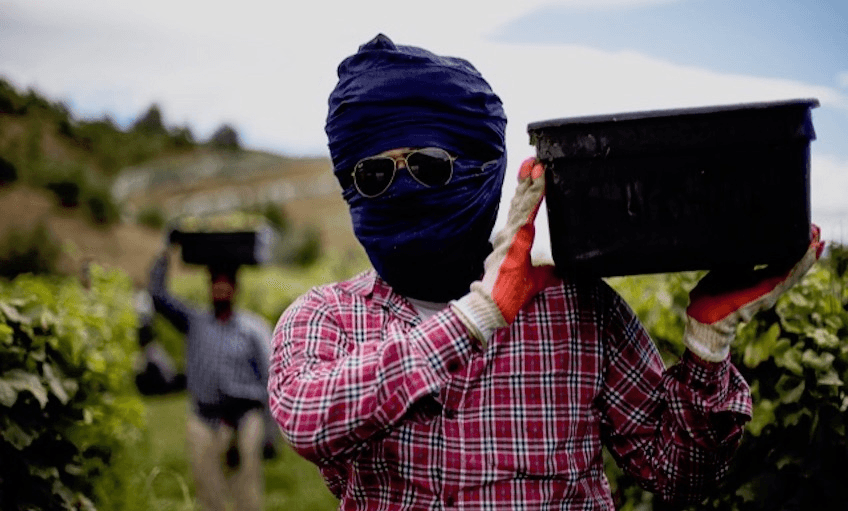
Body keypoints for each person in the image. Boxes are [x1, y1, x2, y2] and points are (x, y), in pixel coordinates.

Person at [267, 33, 824, 510]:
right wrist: (478, 316)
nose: (404, 188)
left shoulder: (578, 308)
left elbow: (680, 475)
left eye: (430, 166)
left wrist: (707, 343)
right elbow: (306, 417)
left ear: (484, 170)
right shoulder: (325, 317)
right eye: (372, 175)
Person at [149, 249, 272, 511]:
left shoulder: (254, 329)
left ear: (236, 289)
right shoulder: (195, 322)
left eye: (227, 284)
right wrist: (164, 254)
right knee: (208, 489)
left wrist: (271, 434)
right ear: (209, 287)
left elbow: (271, 381)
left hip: (245, 417)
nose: (222, 290)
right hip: (205, 418)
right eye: (216, 283)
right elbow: (158, 297)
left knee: (246, 490)